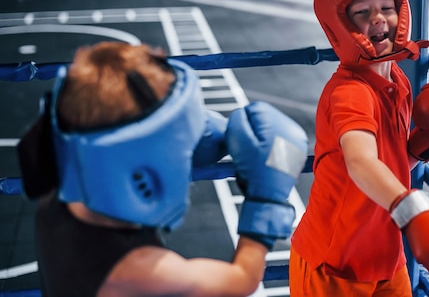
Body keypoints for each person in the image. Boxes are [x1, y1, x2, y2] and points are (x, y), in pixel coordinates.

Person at [17, 41, 309, 297]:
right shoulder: (141, 271)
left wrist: (188, 136)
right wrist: (266, 197)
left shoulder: (60, 194)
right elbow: (241, 280)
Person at [289, 0, 429, 296]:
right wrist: (413, 211)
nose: (378, 18)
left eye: (386, 7)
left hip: (385, 251)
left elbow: (390, 162)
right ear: (341, 29)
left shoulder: (398, 80)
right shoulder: (350, 92)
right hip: (337, 262)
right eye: (362, 12)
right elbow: (361, 161)